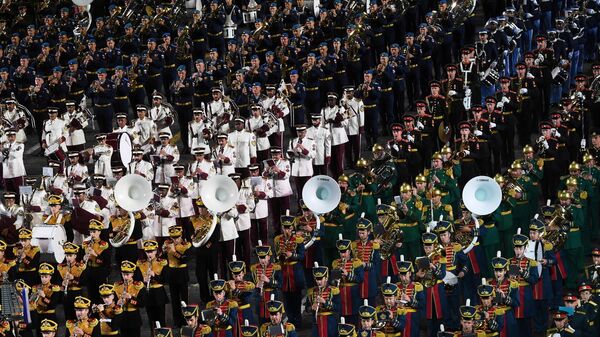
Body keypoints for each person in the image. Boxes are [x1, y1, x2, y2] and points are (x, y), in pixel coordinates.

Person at [137, 240, 169, 327]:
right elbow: (137, 279)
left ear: (155, 251)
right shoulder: (141, 263)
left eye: (151, 251)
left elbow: (165, 280)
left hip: (159, 293)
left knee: (161, 319)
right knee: (151, 320)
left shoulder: (161, 262)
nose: (149, 254)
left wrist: (154, 275)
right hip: (148, 293)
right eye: (147, 251)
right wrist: (143, 280)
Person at [164, 225, 192, 327]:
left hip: (182, 274)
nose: (175, 240)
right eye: (173, 237)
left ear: (181, 236)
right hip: (171, 274)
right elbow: (162, 258)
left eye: (177, 237)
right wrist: (163, 251)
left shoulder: (186, 245)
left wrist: (174, 252)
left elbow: (185, 259)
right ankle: (177, 321)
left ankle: (186, 320)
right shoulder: (167, 244)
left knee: (184, 299)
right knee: (174, 300)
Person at [114, 261, 147, 337]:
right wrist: (117, 303)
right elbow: (113, 302)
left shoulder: (138, 286)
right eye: (123, 274)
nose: (125, 277)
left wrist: (130, 298)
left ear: (132, 274)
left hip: (134, 318)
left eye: (127, 274)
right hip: (122, 317)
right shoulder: (117, 286)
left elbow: (142, 304)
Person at [57, 242, 88, 321]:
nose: (68, 258)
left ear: (75, 256)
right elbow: (58, 281)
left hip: (77, 294)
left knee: (77, 317)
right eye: (67, 256)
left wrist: (73, 278)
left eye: (70, 256)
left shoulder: (80, 267)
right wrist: (62, 283)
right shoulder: (61, 267)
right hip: (66, 294)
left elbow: (84, 282)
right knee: (67, 316)